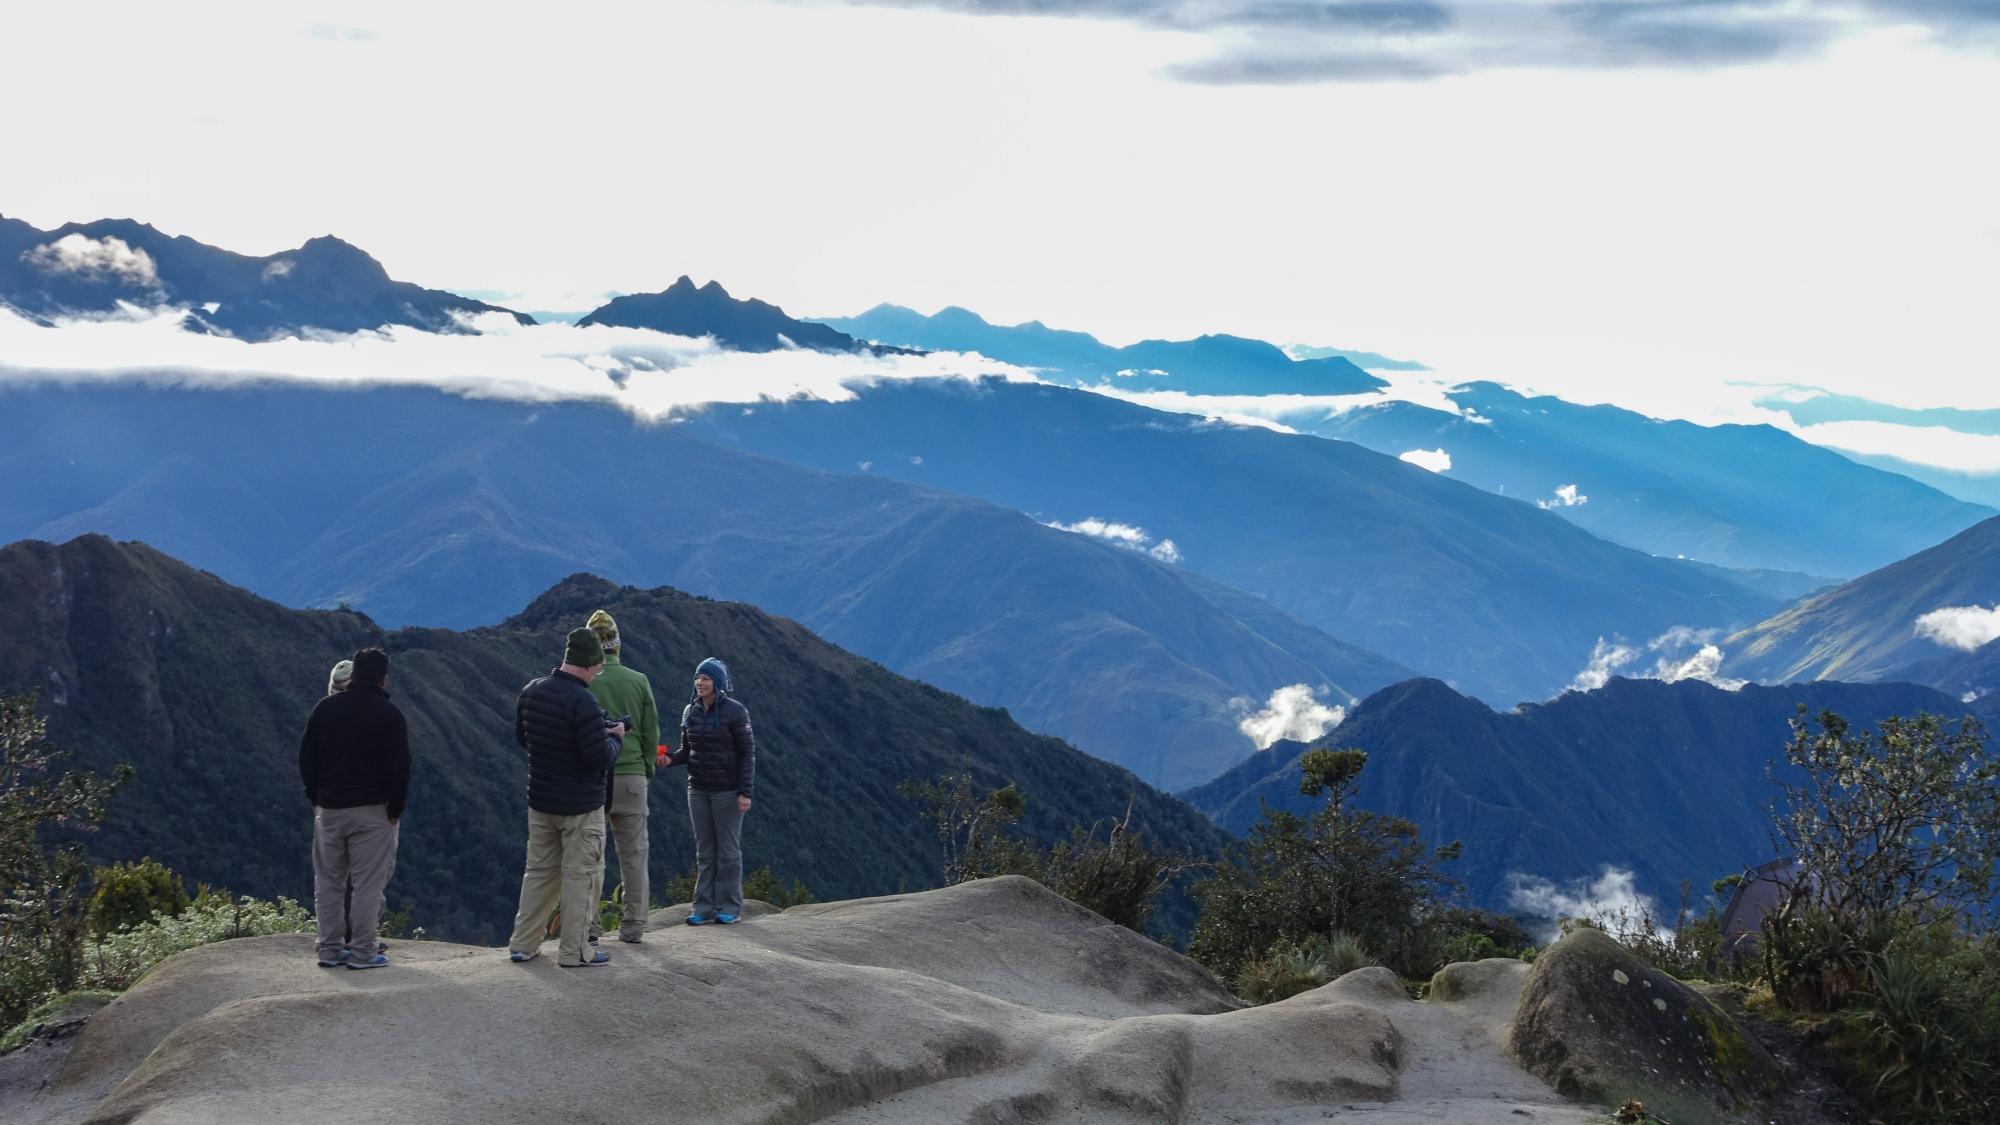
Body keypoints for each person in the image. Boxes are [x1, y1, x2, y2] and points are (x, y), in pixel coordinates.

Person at [506, 627, 623, 967]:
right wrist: (616, 738)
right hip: (581, 806)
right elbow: (598, 757)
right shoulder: (583, 702)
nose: (598, 673)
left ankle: (523, 944)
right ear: (589, 664)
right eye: (598, 667)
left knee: (539, 872)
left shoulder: (531, 692)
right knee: (579, 877)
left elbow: (523, 737)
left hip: (541, 801)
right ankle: (575, 952)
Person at [298, 646, 409, 970]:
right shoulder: (389, 715)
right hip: (374, 811)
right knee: (367, 885)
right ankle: (362, 953)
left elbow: (307, 758)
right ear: (383, 678)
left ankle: (329, 950)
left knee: (329, 882)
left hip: (329, 809)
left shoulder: (325, 709)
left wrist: (315, 796)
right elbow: (400, 768)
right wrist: (395, 808)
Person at [581, 610, 661, 944]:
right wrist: (646, 770)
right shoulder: (638, 680)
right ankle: (633, 926)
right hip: (631, 777)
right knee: (634, 855)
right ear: (616, 645)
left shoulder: (584, 682)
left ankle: (590, 927)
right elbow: (650, 734)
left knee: (589, 856)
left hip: (591, 778)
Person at [663, 657, 755, 925]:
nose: (700, 683)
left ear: (718, 682)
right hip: (698, 789)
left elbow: (747, 753)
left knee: (727, 851)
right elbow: (687, 752)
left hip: (727, 791)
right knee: (705, 852)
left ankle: (729, 907)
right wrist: (670, 759)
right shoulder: (689, 712)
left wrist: (745, 791)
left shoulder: (736, 712)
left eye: (706, 678)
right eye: (698, 678)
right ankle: (702, 908)